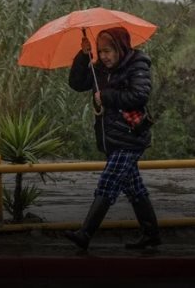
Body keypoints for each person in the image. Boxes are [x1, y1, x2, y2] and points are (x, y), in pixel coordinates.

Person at [64, 26, 160, 251]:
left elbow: (139, 95)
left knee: (108, 182)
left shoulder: (137, 64)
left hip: (130, 136)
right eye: (100, 51)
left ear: (120, 48)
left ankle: (85, 234)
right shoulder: (100, 68)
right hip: (111, 137)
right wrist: (83, 55)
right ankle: (152, 234)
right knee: (134, 187)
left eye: (108, 51)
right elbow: (77, 83)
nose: (104, 56)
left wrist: (106, 96)